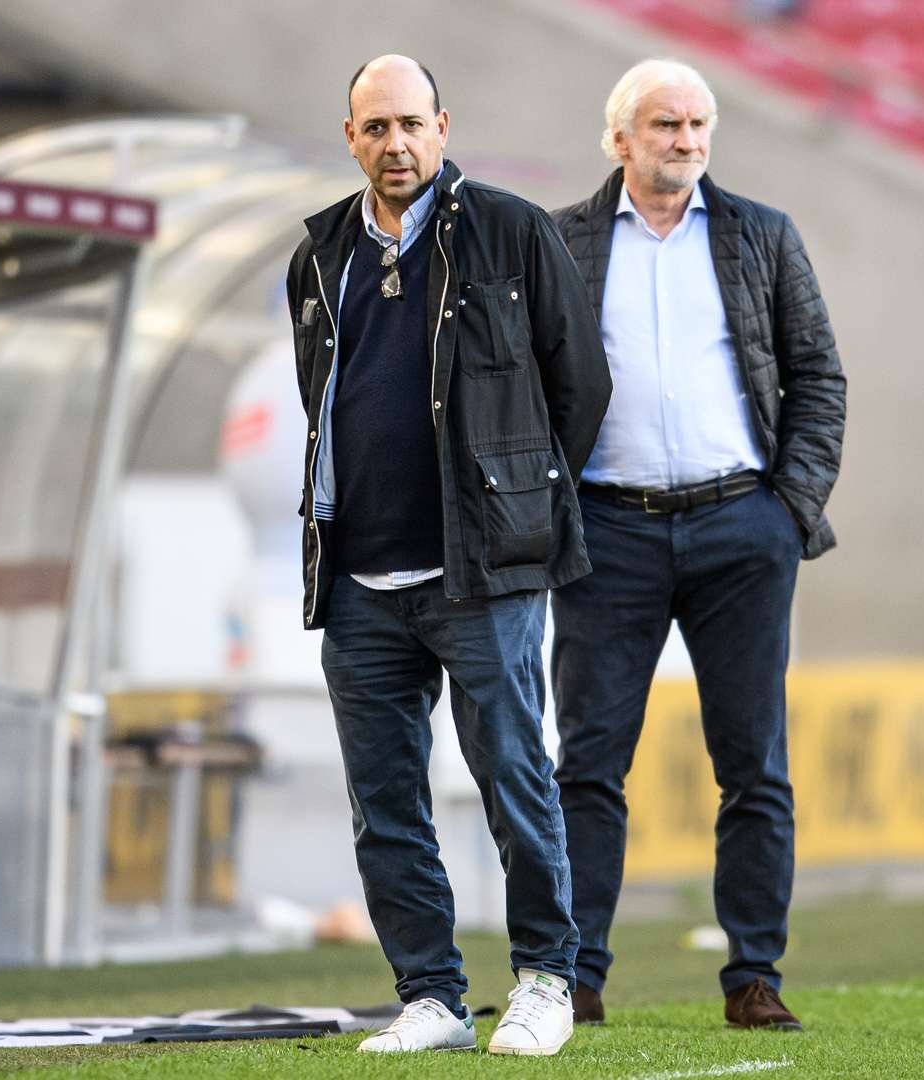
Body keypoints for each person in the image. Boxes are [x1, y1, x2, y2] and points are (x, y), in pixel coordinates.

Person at [284, 53, 612, 1056]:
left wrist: (522, 499)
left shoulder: (514, 232)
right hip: (359, 581)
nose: (395, 143)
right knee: (385, 803)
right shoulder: (318, 255)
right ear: (350, 137)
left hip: (483, 572)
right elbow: (322, 400)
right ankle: (429, 995)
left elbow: (580, 387)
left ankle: (547, 981)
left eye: (411, 124)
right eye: (375, 127)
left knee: (515, 775)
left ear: (443, 126)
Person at [548, 57, 847, 1032]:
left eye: (697, 124)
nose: (684, 139)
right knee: (589, 761)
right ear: (621, 138)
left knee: (753, 763)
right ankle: (573, 974)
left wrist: (786, 511)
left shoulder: (762, 235)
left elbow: (818, 379)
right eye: (664, 124)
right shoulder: (564, 242)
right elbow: (524, 392)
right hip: (605, 533)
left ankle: (753, 976)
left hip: (739, 529)